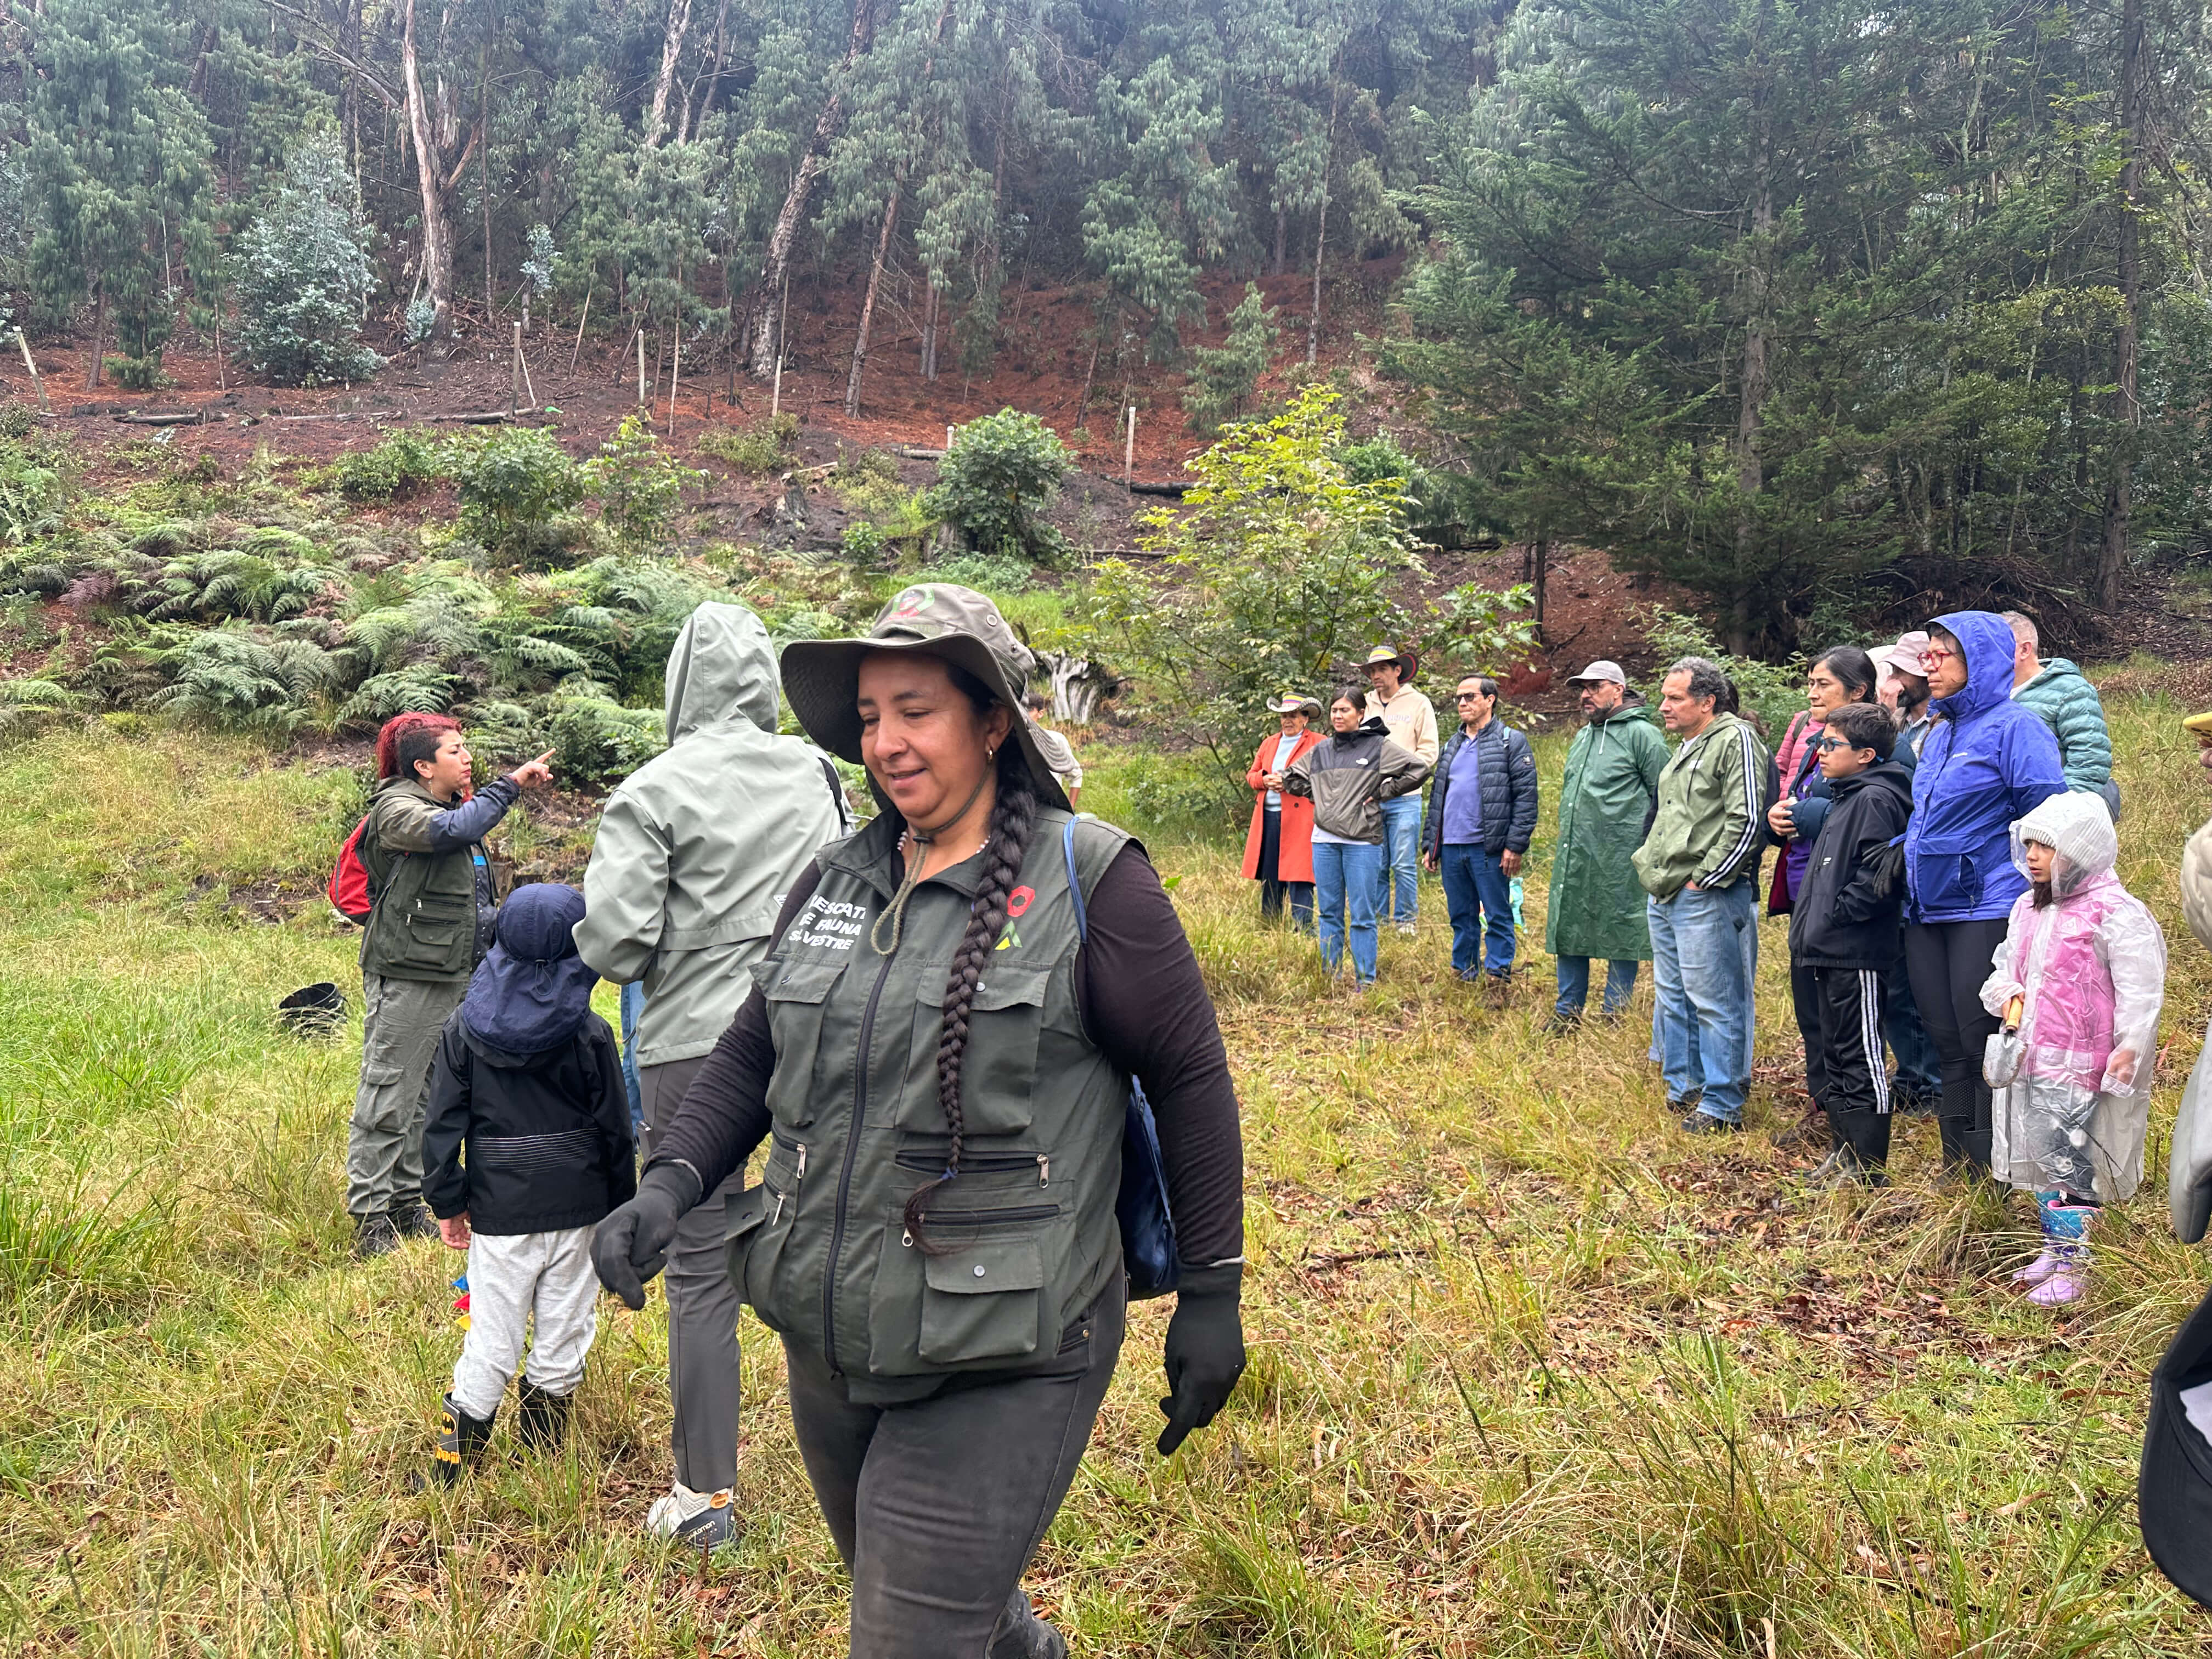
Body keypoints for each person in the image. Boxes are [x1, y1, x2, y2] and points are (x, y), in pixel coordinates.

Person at [590, 583, 1248, 1659]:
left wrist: (1212, 1294)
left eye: (916, 710)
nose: (886, 743)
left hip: (1012, 1343)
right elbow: (753, 1047)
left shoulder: (1092, 882)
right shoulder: (839, 880)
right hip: (834, 1336)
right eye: (867, 717)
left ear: (993, 723)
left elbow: (1191, 1077)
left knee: (906, 1634)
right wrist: (666, 1185)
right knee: (952, 1611)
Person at [574, 600, 849, 1545]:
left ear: (678, 682)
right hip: (817, 1023)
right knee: (836, 1233)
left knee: (697, 1267)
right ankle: (866, 1462)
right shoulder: (816, 767)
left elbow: (615, 943)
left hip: (695, 1042)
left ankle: (705, 1499)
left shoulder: (653, 788)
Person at [421, 883, 634, 1481]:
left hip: (501, 1212)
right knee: (565, 1331)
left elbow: (440, 1125)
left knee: (491, 1336)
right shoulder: (591, 1034)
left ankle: (451, 1468)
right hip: (581, 1211)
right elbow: (617, 1131)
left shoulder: (463, 1029)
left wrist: (447, 1201)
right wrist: (623, 1208)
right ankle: (542, 1461)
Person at [349, 713, 552, 1259]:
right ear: (422, 765)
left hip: (456, 973)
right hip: (412, 972)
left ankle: (406, 1202)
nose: (466, 758)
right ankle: (370, 1217)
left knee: (426, 1098)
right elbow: (447, 836)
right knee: (389, 1093)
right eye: (455, 750)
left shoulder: (455, 812)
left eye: (466, 749)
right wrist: (509, 785)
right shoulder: (398, 809)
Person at [1979, 793, 2165, 1305]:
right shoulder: (2028, 907)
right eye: (2030, 844)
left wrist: (2130, 1047)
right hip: (2032, 1056)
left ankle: (2079, 1261)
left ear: (2081, 850)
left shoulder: (2115, 913)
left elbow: (2141, 989)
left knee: (2075, 1164)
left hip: (2083, 1062)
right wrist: (2006, 994)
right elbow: (2005, 967)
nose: (2033, 855)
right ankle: (2056, 1246)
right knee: (2043, 1154)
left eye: (2048, 846)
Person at [1903, 612, 2066, 1178]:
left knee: (1980, 1044)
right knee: (1946, 1042)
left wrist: (2043, 902)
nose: (1929, 665)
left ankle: (1992, 1174)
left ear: (1980, 660)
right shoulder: (1939, 730)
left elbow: (2049, 819)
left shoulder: (2018, 728)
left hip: (1986, 906)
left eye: (1941, 655)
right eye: (1926, 655)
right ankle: (1960, 1171)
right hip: (1927, 909)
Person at [1765, 647, 1913, 1146]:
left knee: (1861, 1054)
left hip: (1854, 948)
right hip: (1825, 944)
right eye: (1821, 745)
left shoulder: (1873, 797)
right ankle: (1841, 1150)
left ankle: (1866, 1165)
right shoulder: (1845, 795)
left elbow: (1878, 876)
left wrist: (1837, 917)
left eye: (1832, 745)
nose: (1821, 752)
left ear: (1866, 755)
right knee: (1836, 1049)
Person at [1632, 657, 1770, 1134]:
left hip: (1704, 895)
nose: (1663, 706)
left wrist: (1707, 878)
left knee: (1715, 1000)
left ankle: (1722, 1104)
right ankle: (1685, 1086)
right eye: (1664, 696)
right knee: (1675, 997)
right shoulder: (1688, 746)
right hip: (1666, 892)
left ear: (1707, 702)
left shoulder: (1735, 740)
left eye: (1675, 698)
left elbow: (1749, 818)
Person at [1544, 661, 1668, 1031]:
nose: (1585, 695)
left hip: (1621, 852)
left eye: (1595, 687)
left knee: (1622, 924)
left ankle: (1616, 1011)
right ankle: (1568, 1009)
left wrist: (1650, 847)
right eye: (1582, 688)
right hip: (1576, 851)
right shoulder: (1584, 736)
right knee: (1570, 921)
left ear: (1618, 689)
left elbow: (1664, 794)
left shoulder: (1642, 735)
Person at [1284, 689, 1432, 989]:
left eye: (1345, 710)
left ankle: (1366, 981)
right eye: (1335, 710)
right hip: (1324, 841)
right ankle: (1331, 978)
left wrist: (1382, 793)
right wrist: (1321, 798)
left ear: (1361, 714)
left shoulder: (1377, 746)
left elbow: (1418, 769)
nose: (1338, 716)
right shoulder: (1322, 750)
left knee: (1363, 914)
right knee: (1328, 911)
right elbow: (1291, 777)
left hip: (1362, 842)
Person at [1420, 675, 1537, 992]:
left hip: (1489, 847)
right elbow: (1438, 798)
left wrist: (1515, 845)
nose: (1462, 703)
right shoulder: (1452, 745)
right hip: (1452, 846)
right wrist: (1432, 843)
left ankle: (1498, 976)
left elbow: (1526, 796)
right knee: (1461, 915)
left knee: (1498, 914)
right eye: (1459, 698)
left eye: (1470, 697)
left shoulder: (1510, 741)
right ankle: (1465, 971)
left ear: (1490, 700)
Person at [2004, 611, 2118, 814]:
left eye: (1997, 647)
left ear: (2024, 650)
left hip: (2052, 818)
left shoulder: (2071, 690)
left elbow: (2090, 763)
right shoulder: (1989, 695)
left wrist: (2054, 818)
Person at [1361, 644, 1439, 934]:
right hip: (1370, 797)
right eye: (1372, 670)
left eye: (1382, 669)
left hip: (1405, 797)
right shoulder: (1365, 703)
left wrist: (1400, 781)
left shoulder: (1418, 703)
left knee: (1403, 862)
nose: (1376, 675)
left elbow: (1429, 751)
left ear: (1398, 671)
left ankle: (1406, 920)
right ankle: (1380, 920)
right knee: (1376, 863)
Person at [1242, 693, 1324, 929]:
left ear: (1305, 719)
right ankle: (1270, 924)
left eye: (1293, 716)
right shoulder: (1269, 743)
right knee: (1270, 871)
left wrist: (1289, 784)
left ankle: (1303, 926)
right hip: (1268, 817)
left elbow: (1324, 779)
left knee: (1299, 872)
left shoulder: (1318, 742)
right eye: (1284, 716)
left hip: (1301, 818)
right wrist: (1265, 780)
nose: (1288, 720)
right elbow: (1251, 775)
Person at [1875, 633, 1937, 759]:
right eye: (1893, 670)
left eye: (1901, 671)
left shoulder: (1945, 723)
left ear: (1926, 675)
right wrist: (1884, 713)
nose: (1892, 679)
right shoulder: (1895, 718)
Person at [1023, 690, 1082, 809]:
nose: (1025, 714)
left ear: (1041, 713)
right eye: (1022, 709)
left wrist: (1070, 811)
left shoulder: (1056, 740)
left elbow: (1076, 775)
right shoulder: (1008, 739)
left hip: (1050, 809)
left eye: (1029, 709)